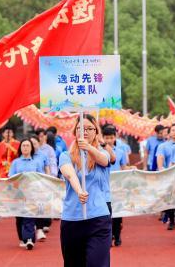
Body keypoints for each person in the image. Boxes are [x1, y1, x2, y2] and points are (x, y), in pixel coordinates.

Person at [58, 114, 111, 267]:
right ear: (75, 132)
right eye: (81, 128)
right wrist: (80, 190)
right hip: (72, 218)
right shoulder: (65, 155)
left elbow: (105, 160)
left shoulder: (102, 154)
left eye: (89, 128)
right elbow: (69, 173)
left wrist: (88, 148)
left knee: (97, 263)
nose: (85, 132)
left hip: (98, 218)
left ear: (96, 131)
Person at [9, 138, 47, 250]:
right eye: (23, 145)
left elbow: (41, 176)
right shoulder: (15, 162)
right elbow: (10, 176)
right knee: (19, 218)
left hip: (32, 194)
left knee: (29, 216)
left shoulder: (36, 162)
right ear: (20, 148)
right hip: (19, 194)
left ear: (31, 148)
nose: (25, 147)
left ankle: (29, 239)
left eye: (27, 146)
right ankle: (22, 238)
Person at [102, 125, 134, 247]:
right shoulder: (100, 150)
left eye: (111, 137)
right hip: (104, 186)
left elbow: (124, 167)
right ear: (103, 138)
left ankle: (117, 235)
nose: (109, 140)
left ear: (115, 137)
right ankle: (109, 237)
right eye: (106, 138)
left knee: (118, 214)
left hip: (118, 186)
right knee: (106, 213)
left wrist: (131, 169)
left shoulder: (120, 152)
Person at [156, 123, 175, 231]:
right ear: (169, 132)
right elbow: (160, 159)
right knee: (169, 199)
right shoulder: (163, 146)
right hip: (169, 175)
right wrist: (162, 169)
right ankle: (171, 220)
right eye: (173, 130)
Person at [29, 134, 51, 241]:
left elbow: (47, 168)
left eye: (35, 143)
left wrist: (48, 180)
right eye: (31, 144)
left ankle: (39, 229)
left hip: (40, 184)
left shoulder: (43, 155)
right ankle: (31, 228)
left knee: (40, 207)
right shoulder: (27, 155)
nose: (33, 146)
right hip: (28, 186)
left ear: (39, 143)